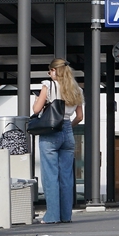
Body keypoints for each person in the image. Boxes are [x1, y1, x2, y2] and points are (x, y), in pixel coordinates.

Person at [32, 58, 84, 223]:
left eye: (50, 71)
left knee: (50, 175)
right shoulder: (77, 89)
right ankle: (65, 215)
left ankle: (52, 216)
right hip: (68, 130)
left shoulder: (49, 85)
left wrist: (38, 99)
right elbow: (80, 117)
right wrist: (68, 127)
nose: (49, 74)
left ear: (55, 71)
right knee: (66, 177)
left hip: (50, 132)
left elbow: (36, 109)